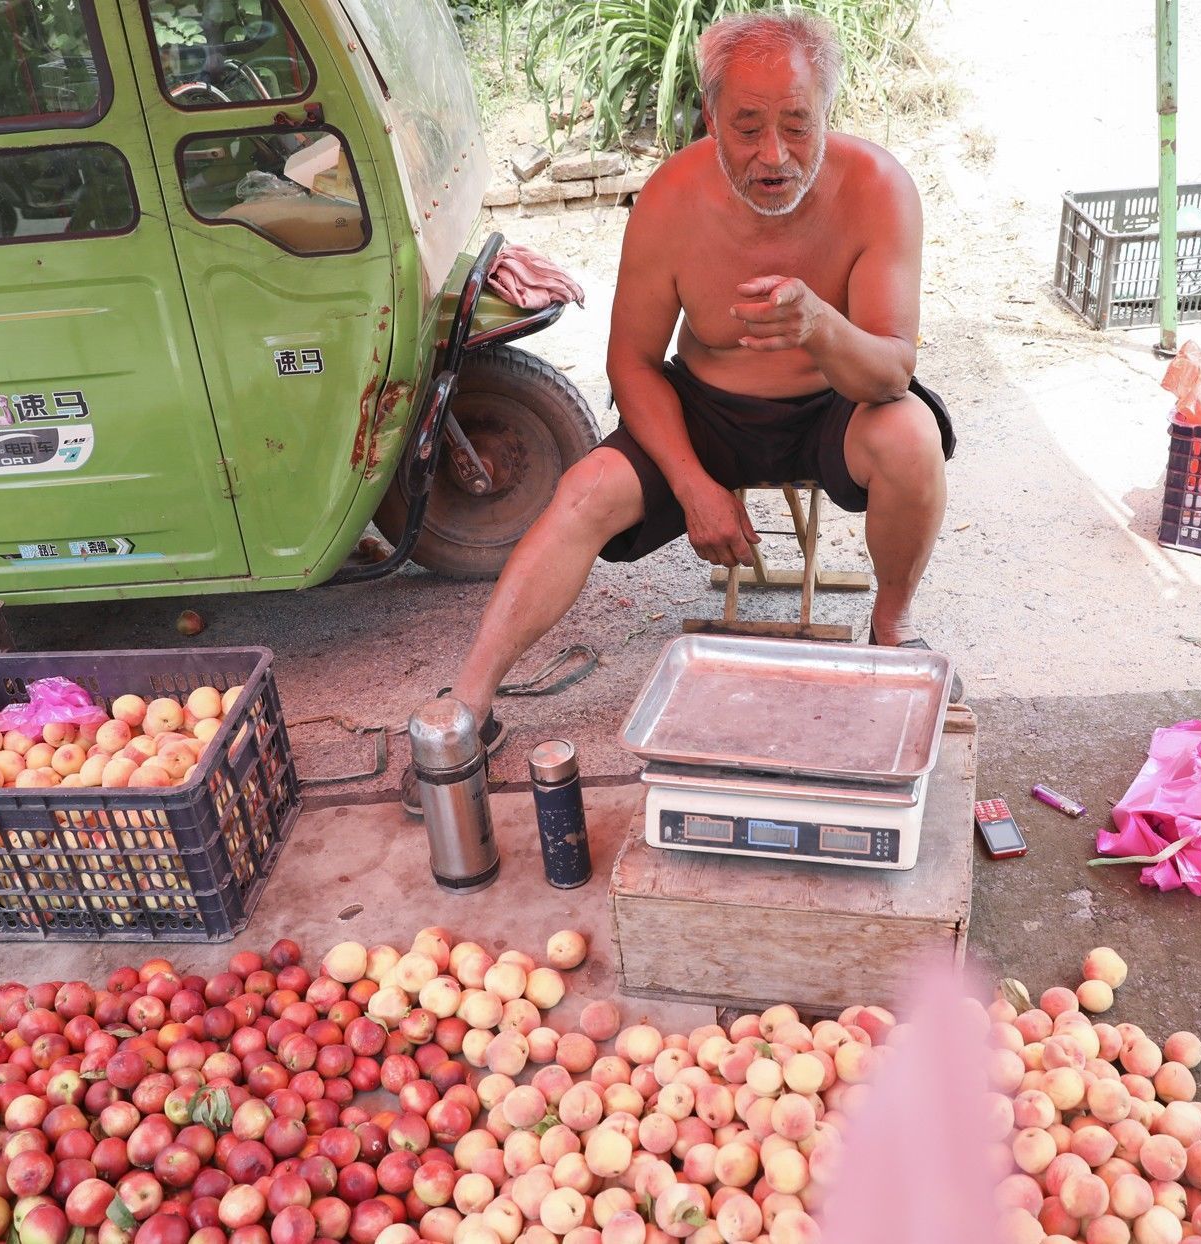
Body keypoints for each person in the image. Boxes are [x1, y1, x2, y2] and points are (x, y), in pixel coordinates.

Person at [407, 12, 957, 812]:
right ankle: (468, 704)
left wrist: (820, 325)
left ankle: (894, 625)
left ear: (826, 114)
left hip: (836, 402)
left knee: (911, 435)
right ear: (711, 119)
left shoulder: (877, 188)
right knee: (586, 490)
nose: (774, 155)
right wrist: (695, 486)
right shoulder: (670, 198)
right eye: (748, 127)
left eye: (797, 125)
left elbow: (891, 370)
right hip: (706, 410)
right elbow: (631, 363)